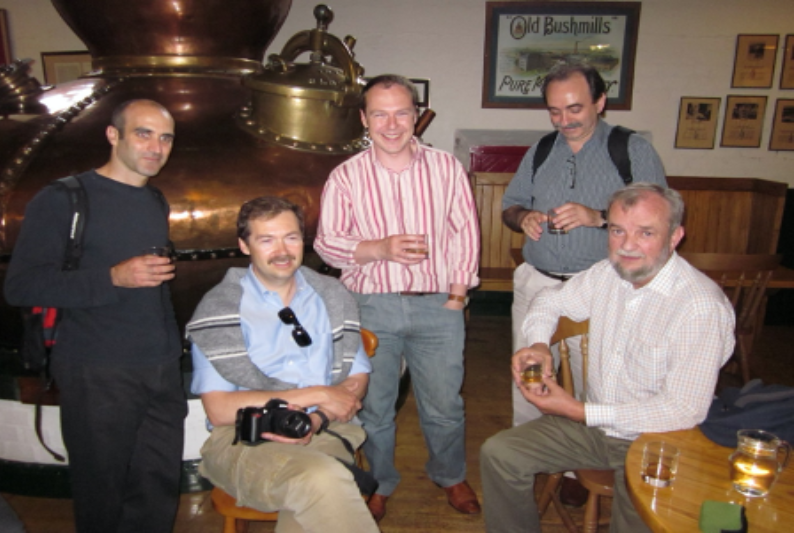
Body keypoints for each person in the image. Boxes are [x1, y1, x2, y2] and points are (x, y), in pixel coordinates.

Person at [480, 183, 736, 533]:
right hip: (597, 428)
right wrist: (539, 344)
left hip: (660, 440)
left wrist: (579, 411)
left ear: (675, 237)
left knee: (634, 519)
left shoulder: (699, 306)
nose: (627, 245)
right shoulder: (607, 274)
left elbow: (683, 410)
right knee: (500, 453)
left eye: (645, 233)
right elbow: (549, 300)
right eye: (617, 230)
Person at [4, 99, 186, 533]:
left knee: (157, 488)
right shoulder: (64, 198)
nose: (155, 147)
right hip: (96, 369)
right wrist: (112, 278)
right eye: (143, 134)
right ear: (113, 136)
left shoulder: (154, 200)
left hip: (159, 366)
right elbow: (21, 285)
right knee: (102, 491)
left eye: (165, 138)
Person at [314, 74, 482, 522]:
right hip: (371, 307)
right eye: (381, 114)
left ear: (416, 115)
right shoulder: (346, 176)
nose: (392, 124)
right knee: (375, 406)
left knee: (446, 403)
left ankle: (449, 474)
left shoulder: (446, 167)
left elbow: (466, 232)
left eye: (402, 112)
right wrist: (379, 249)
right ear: (365, 119)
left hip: (437, 304)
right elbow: (326, 243)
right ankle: (382, 481)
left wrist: (458, 296)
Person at [186, 196, 379, 533]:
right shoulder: (219, 310)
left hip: (325, 430)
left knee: (317, 487)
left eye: (290, 237)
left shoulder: (333, 296)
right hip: (244, 439)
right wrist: (316, 393)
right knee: (323, 478)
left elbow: (356, 378)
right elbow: (219, 411)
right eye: (266, 239)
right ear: (244, 246)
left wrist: (318, 417)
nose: (282, 250)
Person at [501, 63, 668, 428]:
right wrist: (523, 216)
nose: (564, 120)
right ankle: (527, 454)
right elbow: (509, 206)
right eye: (555, 111)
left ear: (600, 102)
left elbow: (660, 218)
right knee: (528, 380)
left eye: (575, 108)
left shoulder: (631, 149)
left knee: (591, 384)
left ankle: (579, 473)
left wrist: (599, 217)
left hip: (601, 286)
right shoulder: (542, 149)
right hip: (537, 282)